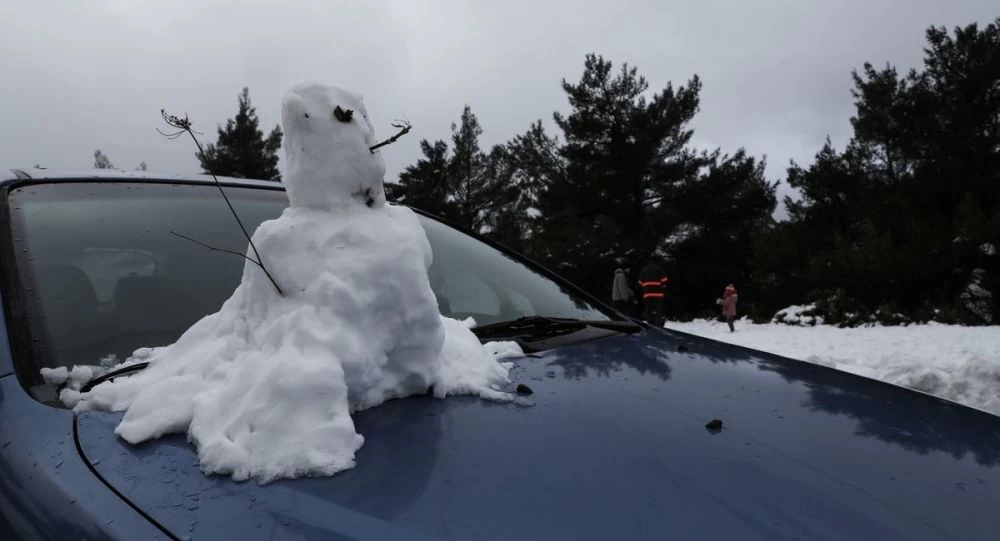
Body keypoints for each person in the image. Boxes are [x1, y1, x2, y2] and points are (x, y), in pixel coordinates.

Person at [638, 260, 668, 326]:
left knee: (648, 310)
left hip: (647, 294)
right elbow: (665, 280)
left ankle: (650, 324)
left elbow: (640, 283)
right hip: (658, 294)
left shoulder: (643, 270)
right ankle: (658, 324)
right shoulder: (659, 269)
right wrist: (662, 286)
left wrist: (646, 288)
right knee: (658, 310)